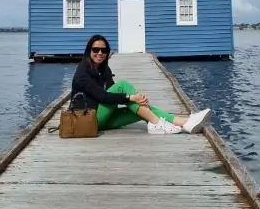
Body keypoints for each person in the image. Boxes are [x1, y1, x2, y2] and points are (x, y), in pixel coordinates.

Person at [71, 34, 212, 135]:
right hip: (88, 119)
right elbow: (103, 96)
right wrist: (131, 98)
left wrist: (136, 102)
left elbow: (113, 97)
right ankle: (158, 124)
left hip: (103, 120)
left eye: (104, 50)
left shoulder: (105, 70)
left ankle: (186, 123)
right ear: (89, 51)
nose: (100, 53)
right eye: (96, 49)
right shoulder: (82, 71)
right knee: (124, 86)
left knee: (143, 111)